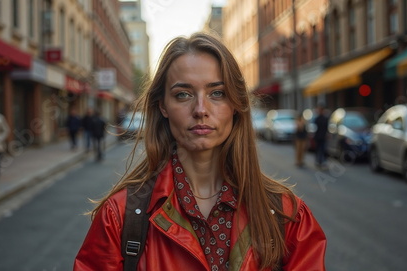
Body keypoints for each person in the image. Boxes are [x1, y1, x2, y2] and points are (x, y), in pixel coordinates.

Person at [74, 33, 326, 271]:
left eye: (217, 93)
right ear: (163, 106)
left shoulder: (287, 215)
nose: (200, 109)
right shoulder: (119, 217)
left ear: (236, 105)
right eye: (183, 94)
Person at [314, 103, 329, 169]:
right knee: (318, 149)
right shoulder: (317, 118)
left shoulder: (325, 118)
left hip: (323, 136)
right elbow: (314, 127)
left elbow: (327, 127)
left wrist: (327, 134)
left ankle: (322, 162)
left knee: (323, 149)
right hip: (318, 136)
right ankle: (318, 161)